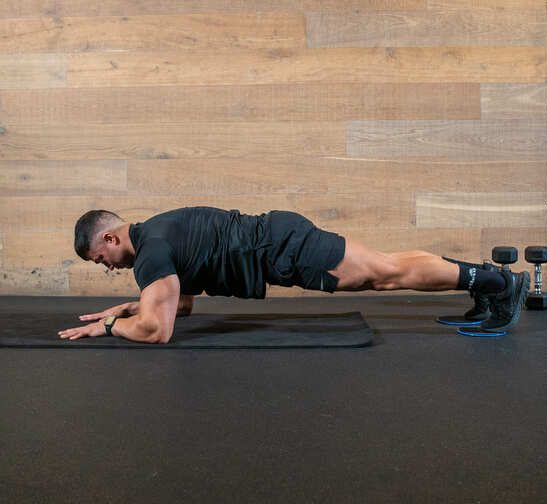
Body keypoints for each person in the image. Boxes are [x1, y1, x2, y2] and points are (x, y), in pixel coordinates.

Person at [58, 206, 530, 344]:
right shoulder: (158, 235)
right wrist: (127, 305)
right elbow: (178, 305)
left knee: (384, 275)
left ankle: (497, 285)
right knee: (386, 265)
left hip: (281, 247)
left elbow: (157, 330)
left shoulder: (150, 254)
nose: (103, 267)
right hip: (280, 237)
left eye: (98, 257)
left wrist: (109, 325)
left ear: (112, 239)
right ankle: (487, 282)